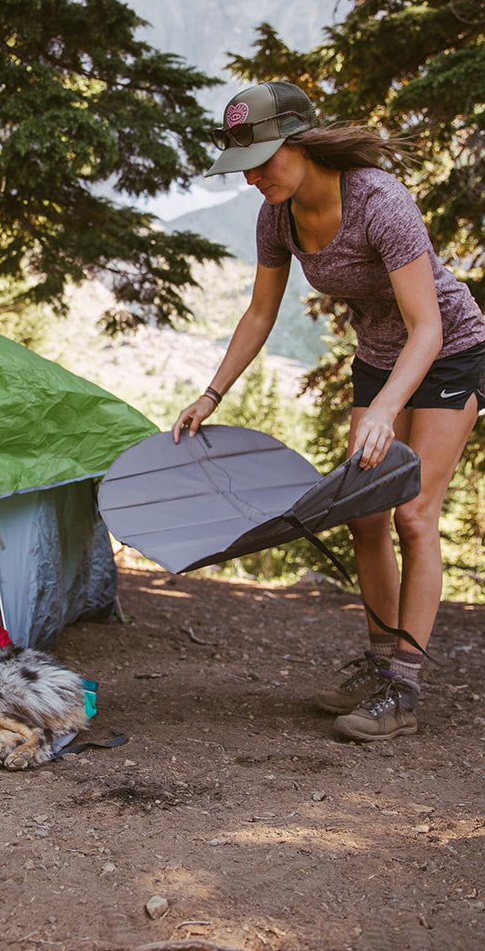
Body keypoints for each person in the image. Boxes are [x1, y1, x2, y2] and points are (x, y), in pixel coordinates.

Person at [171, 81, 485, 742]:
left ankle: (404, 686)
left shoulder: (380, 202)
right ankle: (377, 662)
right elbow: (260, 312)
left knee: (413, 514)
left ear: (301, 142)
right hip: (378, 358)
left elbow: (426, 327)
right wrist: (211, 393)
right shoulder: (277, 216)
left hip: (450, 353)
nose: (254, 177)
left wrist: (387, 408)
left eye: (263, 160)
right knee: (362, 515)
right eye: (244, 166)